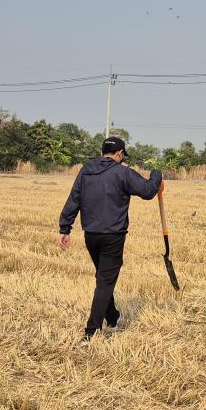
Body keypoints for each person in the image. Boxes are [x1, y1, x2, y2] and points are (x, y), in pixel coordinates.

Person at [58, 135, 162, 341]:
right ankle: (91, 332)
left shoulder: (86, 171)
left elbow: (74, 198)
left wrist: (65, 227)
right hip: (113, 236)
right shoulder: (122, 173)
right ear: (120, 154)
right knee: (105, 281)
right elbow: (148, 191)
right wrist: (157, 174)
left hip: (91, 235)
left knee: (103, 278)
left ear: (102, 152)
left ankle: (113, 317)